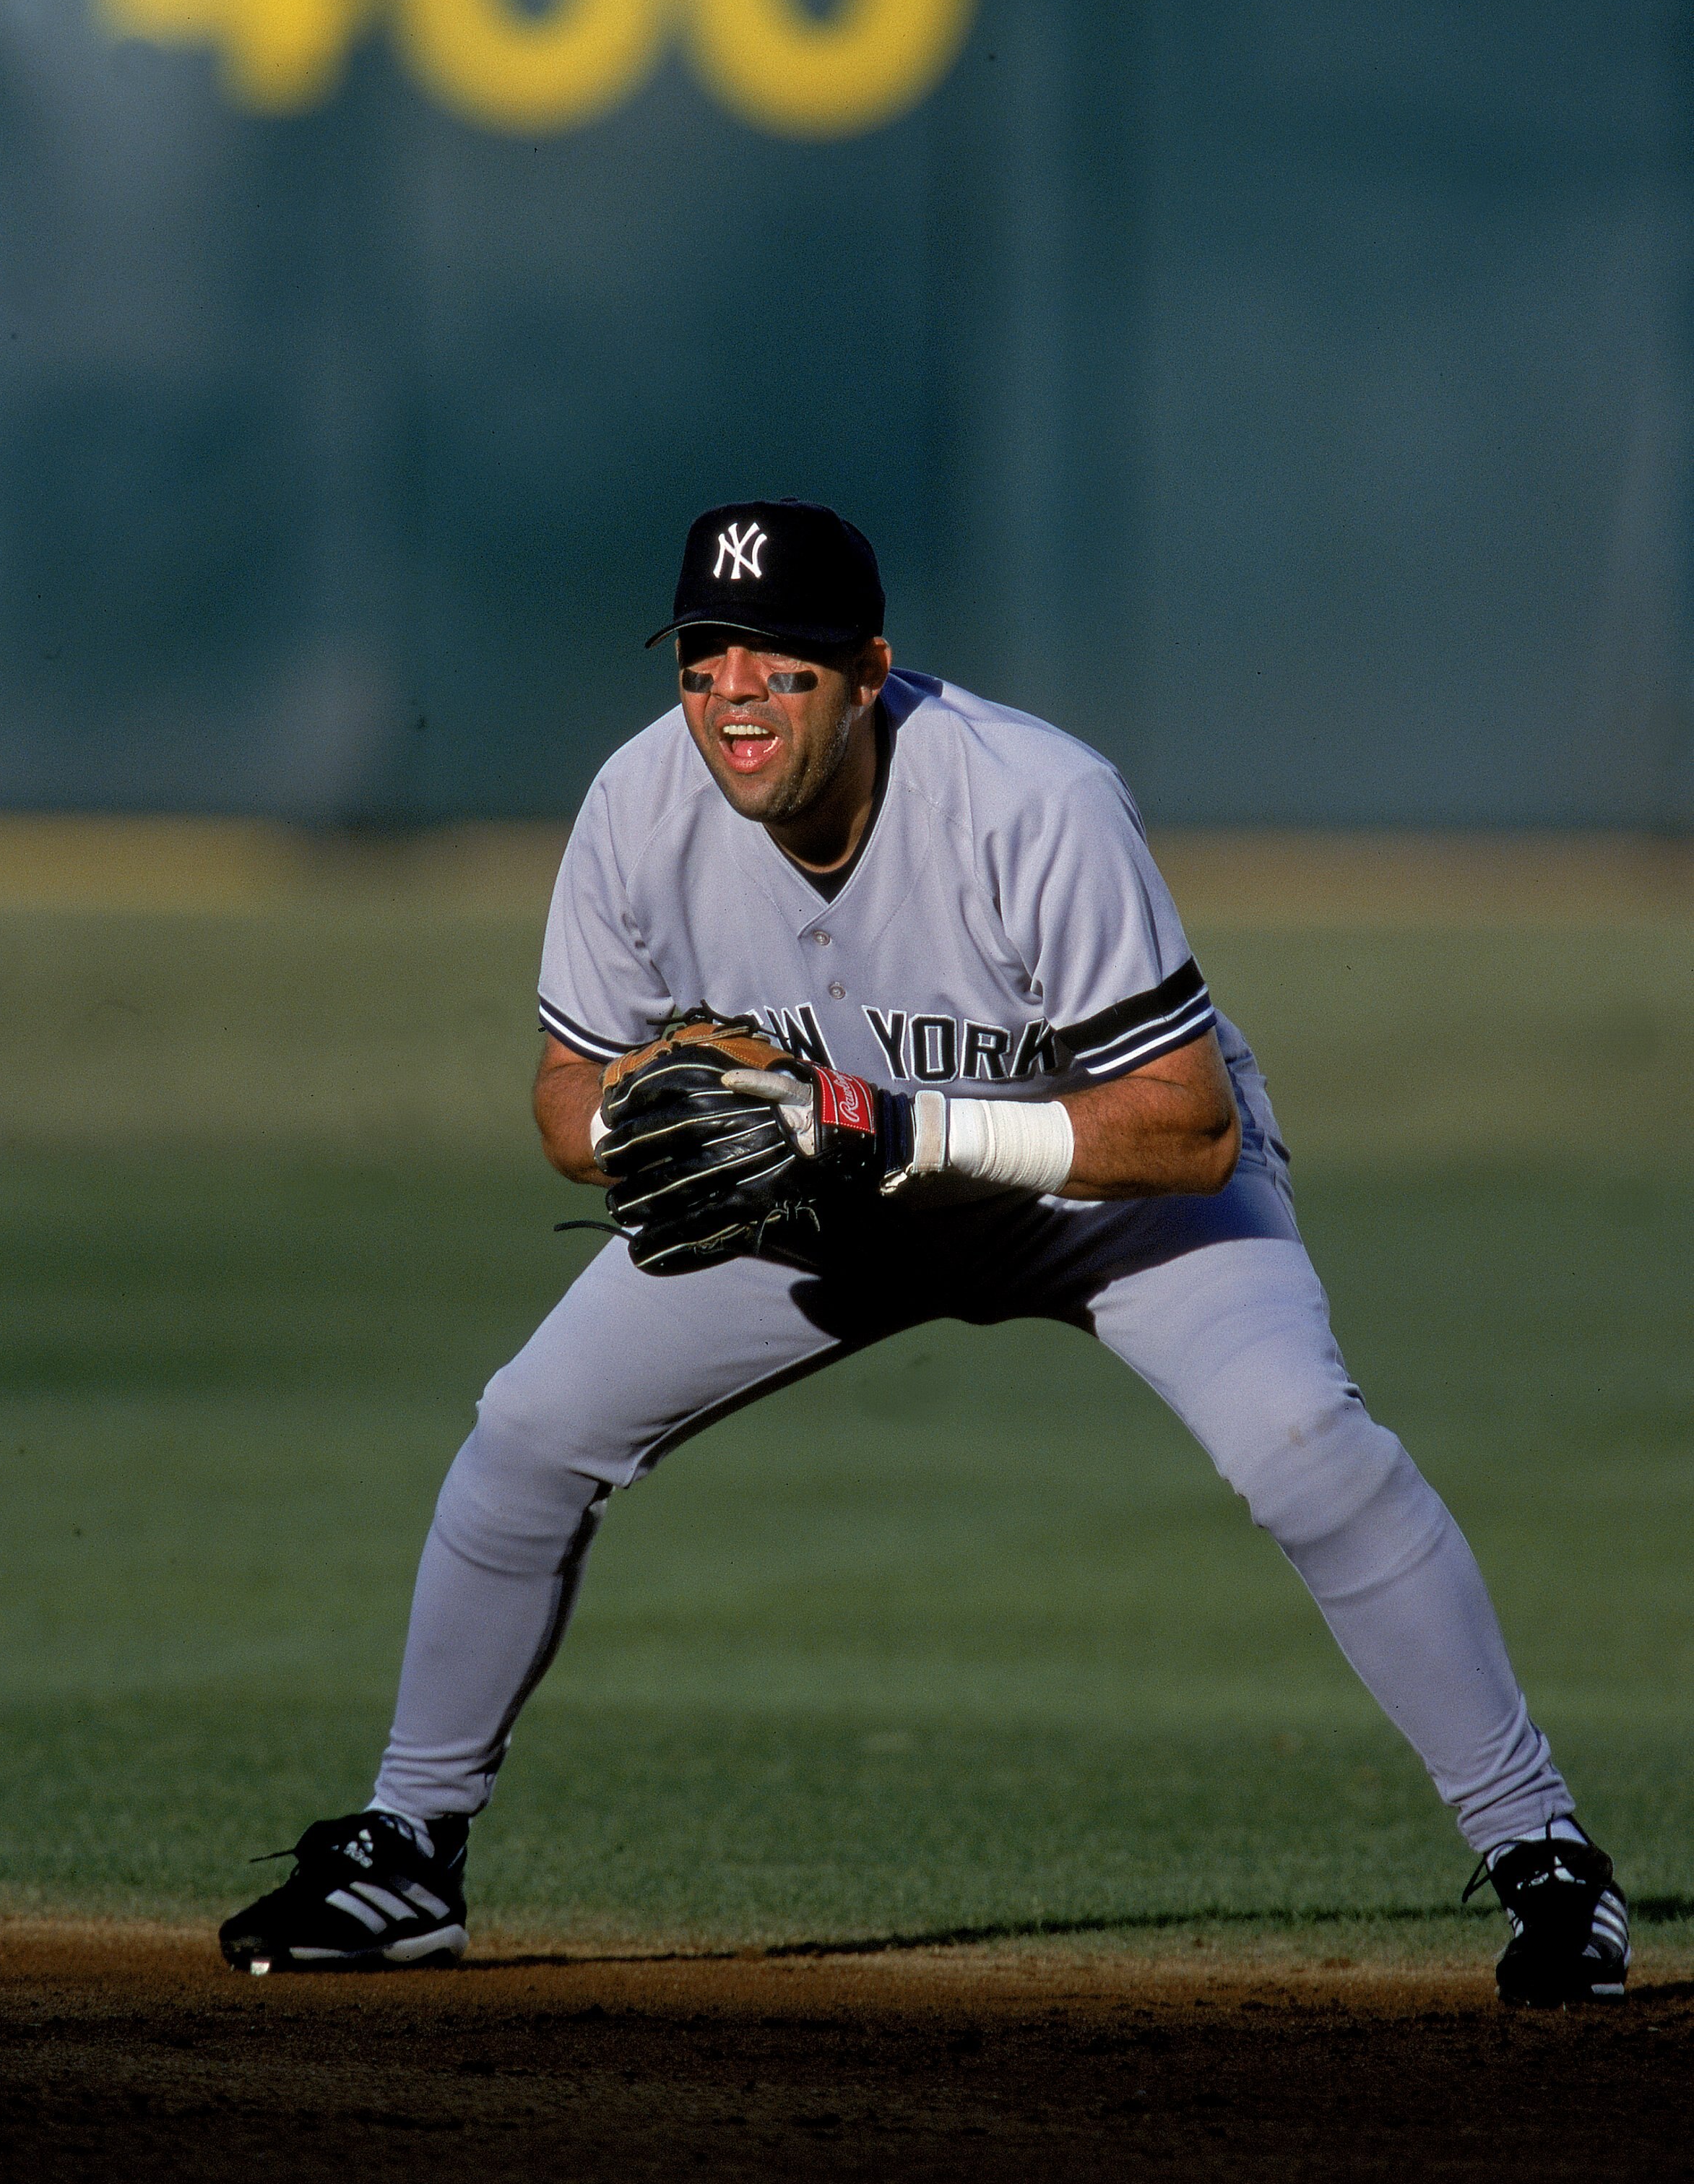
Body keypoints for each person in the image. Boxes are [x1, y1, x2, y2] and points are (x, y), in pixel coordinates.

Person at [222, 499, 1629, 2006]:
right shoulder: (638, 803)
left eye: (784, 660)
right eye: (706, 656)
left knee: (1301, 1444)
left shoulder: (1035, 801)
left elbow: (1188, 1128)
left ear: (873, 670)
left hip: (1109, 1194)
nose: (736, 690)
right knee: (529, 1430)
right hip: (826, 1198)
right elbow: (566, 1099)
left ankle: (1545, 1852)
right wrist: (645, 1105)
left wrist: (901, 1127)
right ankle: (405, 1857)